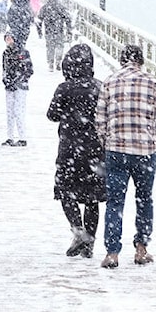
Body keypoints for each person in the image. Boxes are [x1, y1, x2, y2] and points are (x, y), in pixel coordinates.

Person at [95, 44, 156, 269]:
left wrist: (107, 140)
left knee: (115, 202)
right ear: (141, 61)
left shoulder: (109, 82)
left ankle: (112, 252)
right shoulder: (153, 83)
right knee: (144, 199)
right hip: (145, 152)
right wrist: (154, 140)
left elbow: (100, 119)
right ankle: (141, 248)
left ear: (121, 60)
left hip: (116, 150)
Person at [47, 43, 105, 258]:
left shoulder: (64, 88)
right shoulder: (99, 87)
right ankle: (89, 241)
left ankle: (77, 230)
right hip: (95, 150)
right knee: (92, 197)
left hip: (69, 149)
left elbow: (52, 115)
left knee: (65, 191)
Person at [1, 31, 33, 147]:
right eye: (7, 39)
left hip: (21, 86)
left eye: (10, 38)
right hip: (9, 87)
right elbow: (4, 70)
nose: (8, 41)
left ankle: (22, 137)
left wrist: (18, 80)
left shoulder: (23, 52)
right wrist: (6, 81)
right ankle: (9, 137)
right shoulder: (5, 53)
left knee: (19, 112)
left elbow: (29, 70)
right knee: (9, 112)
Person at [37, 0, 73, 72]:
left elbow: (39, 20)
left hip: (48, 31)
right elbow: (68, 19)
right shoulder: (61, 8)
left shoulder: (45, 8)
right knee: (60, 46)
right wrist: (69, 31)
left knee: (50, 47)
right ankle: (58, 61)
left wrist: (39, 32)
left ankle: (50, 63)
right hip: (59, 31)